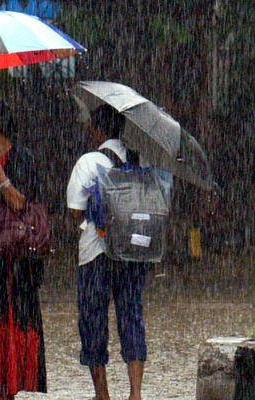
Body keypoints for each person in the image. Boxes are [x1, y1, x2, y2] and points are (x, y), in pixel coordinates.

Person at [66, 105, 172, 400]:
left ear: (97, 130)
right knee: (131, 315)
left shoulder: (89, 161)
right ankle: (135, 392)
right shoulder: (143, 161)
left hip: (95, 253)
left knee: (93, 319)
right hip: (134, 252)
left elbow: (74, 210)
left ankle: (102, 394)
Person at [0, 101, 47, 400]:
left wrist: (0, 173)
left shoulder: (22, 158)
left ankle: (11, 382)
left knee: (13, 315)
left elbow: (19, 203)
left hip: (16, 258)